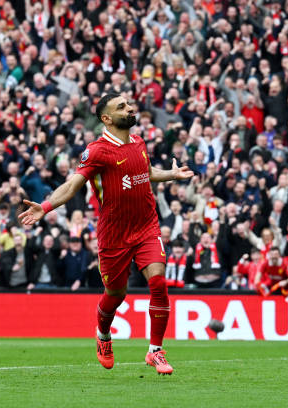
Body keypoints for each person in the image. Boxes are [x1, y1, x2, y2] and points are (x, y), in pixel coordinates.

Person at [19, 93, 193, 375]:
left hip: (146, 226)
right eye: (122, 107)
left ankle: (155, 351)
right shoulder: (97, 151)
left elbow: (146, 173)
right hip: (114, 235)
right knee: (116, 294)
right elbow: (73, 184)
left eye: (129, 104)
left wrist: (172, 175)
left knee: (159, 282)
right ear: (106, 119)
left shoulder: (139, 142)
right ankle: (103, 334)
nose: (130, 108)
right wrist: (47, 206)